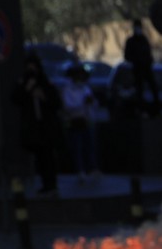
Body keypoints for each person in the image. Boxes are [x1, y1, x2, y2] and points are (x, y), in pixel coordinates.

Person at [11, 52, 63, 196]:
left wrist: (43, 97)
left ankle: (51, 184)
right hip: (33, 127)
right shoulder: (25, 83)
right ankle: (46, 184)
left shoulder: (45, 84)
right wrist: (27, 88)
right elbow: (16, 98)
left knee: (48, 157)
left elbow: (56, 102)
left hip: (46, 126)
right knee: (40, 157)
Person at [60, 64, 99, 183]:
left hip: (87, 121)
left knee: (89, 145)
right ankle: (80, 170)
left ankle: (92, 168)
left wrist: (91, 103)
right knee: (77, 147)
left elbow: (94, 105)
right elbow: (68, 107)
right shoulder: (68, 89)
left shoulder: (85, 88)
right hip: (74, 122)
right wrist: (83, 104)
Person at [123, 18, 161, 114]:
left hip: (147, 69)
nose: (138, 29)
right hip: (137, 70)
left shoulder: (144, 40)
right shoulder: (131, 41)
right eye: (137, 27)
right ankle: (140, 109)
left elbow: (148, 54)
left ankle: (156, 108)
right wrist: (137, 60)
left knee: (153, 88)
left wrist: (147, 61)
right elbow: (127, 56)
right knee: (139, 90)